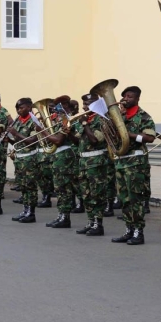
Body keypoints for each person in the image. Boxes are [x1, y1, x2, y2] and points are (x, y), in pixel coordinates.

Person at [111, 86, 156, 246]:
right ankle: (128, 229)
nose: (125, 99)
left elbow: (150, 138)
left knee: (135, 198)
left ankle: (138, 232)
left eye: (129, 97)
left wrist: (128, 135)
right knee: (124, 199)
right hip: (121, 162)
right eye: (124, 96)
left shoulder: (144, 117)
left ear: (137, 99)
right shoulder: (119, 117)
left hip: (136, 163)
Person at [72, 93, 111, 235]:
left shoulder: (102, 119)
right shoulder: (85, 119)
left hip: (96, 163)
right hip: (83, 163)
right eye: (83, 105)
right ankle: (90, 222)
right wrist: (68, 132)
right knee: (86, 195)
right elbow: (77, 141)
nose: (84, 107)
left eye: (87, 104)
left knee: (97, 195)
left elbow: (95, 140)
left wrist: (85, 123)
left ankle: (98, 225)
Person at [42, 95, 78, 228]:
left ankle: (65, 217)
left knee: (64, 188)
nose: (55, 109)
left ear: (65, 106)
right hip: (58, 157)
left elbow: (58, 140)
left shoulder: (66, 119)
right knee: (59, 188)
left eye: (58, 106)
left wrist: (42, 132)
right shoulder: (58, 119)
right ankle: (61, 215)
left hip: (64, 157)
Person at [8, 98, 39, 223]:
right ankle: (25, 210)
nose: (19, 111)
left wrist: (16, 133)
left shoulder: (34, 121)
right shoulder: (18, 121)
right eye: (17, 109)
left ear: (29, 107)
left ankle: (31, 213)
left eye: (21, 108)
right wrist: (9, 138)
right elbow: (18, 142)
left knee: (30, 186)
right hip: (20, 159)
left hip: (29, 159)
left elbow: (32, 140)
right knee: (23, 186)